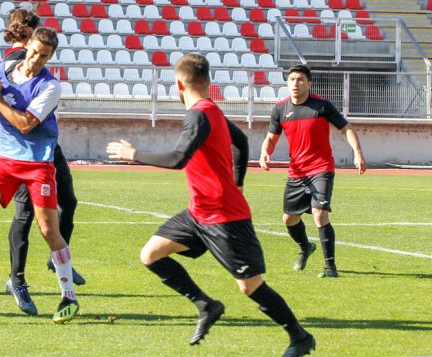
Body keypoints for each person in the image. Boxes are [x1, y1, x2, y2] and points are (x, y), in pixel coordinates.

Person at [106, 54, 316, 357]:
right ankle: (206, 305)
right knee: (151, 254)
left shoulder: (199, 114)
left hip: (224, 216)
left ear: (179, 84)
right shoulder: (211, 110)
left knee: (250, 286)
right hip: (198, 213)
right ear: (208, 83)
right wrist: (239, 181)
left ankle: (300, 337)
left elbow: (179, 158)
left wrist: (134, 154)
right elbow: (241, 142)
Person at [0, 27, 80, 324]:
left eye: (44, 56)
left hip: (38, 163)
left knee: (49, 231)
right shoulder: (5, 69)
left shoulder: (50, 87)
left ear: (51, 57)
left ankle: (69, 297)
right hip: (5, 160)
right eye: (34, 52)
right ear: (27, 48)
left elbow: (25, 124)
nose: (36, 60)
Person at [260, 64, 366, 278]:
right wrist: (265, 152)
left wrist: (357, 152)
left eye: (300, 79)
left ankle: (330, 267)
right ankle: (305, 247)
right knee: (289, 219)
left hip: (321, 168)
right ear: (287, 83)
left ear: (309, 83)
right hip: (296, 172)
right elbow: (271, 138)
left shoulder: (321, 106)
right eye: (291, 80)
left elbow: (346, 128)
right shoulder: (280, 109)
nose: (295, 83)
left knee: (319, 214)